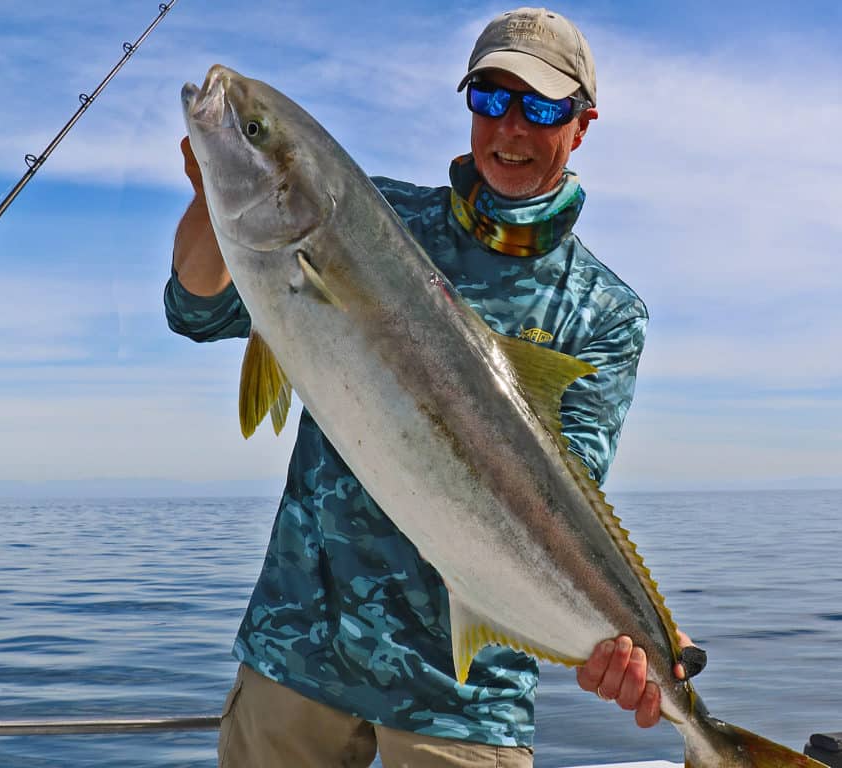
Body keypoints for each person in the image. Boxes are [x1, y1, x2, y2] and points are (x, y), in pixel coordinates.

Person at [167, 7, 699, 767]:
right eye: (490, 98)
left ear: (580, 126)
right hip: (300, 651)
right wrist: (213, 185)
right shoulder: (376, 218)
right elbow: (194, 307)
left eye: (541, 106)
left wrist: (636, 630)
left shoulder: (602, 313)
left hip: (465, 692)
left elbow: (564, 491)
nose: (510, 127)